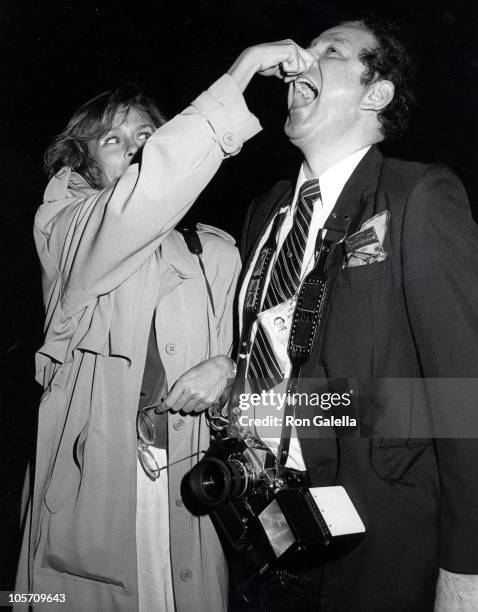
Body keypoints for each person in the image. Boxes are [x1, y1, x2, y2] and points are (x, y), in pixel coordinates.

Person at [14, 43, 314, 612]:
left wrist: (228, 367)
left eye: (148, 138)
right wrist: (242, 72)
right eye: (114, 141)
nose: (135, 152)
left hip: (189, 484)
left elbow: (257, 358)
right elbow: (134, 207)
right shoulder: (65, 226)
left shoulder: (215, 253)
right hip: (92, 488)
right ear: (83, 160)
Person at [234, 16, 478, 612]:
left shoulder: (417, 195)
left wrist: (466, 571)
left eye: (330, 51)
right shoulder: (264, 212)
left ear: (376, 93)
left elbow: (459, 398)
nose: (297, 61)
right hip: (262, 527)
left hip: (381, 542)